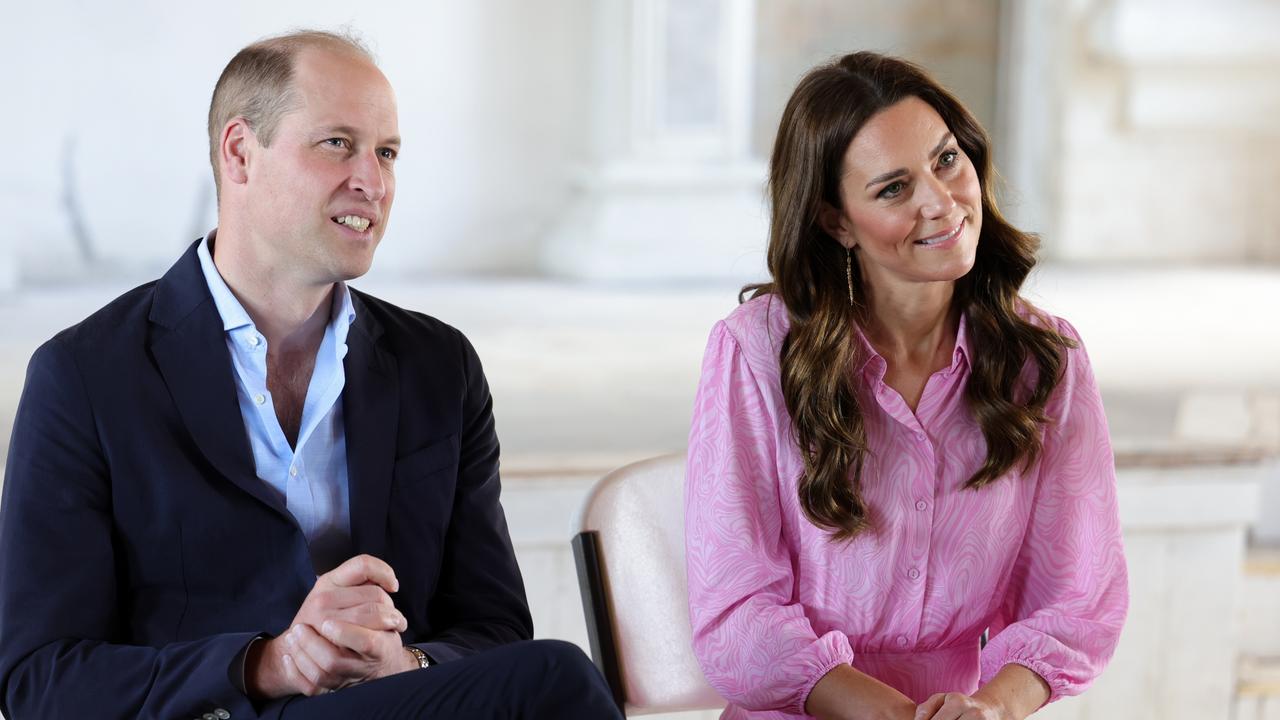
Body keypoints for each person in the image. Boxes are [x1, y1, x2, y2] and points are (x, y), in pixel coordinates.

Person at [0, 30, 620, 720]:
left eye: (386, 153)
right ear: (240, 153)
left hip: (382, 706)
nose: (373, 181)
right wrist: (266, 664)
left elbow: (495, 628)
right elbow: (38, 680)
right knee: (558, 680)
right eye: (338, 144)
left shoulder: (440, 367)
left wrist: (407, 663)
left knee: (546, 676)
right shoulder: (84, 375)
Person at [684, 52, 1127, 720]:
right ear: (836, 221)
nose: (941, 202)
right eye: (893, 189)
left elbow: (1078, 602)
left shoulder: (1044, 361)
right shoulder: (755, 353)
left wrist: (991, 709)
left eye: (947, 161)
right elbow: (737, 616)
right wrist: (893, 715)